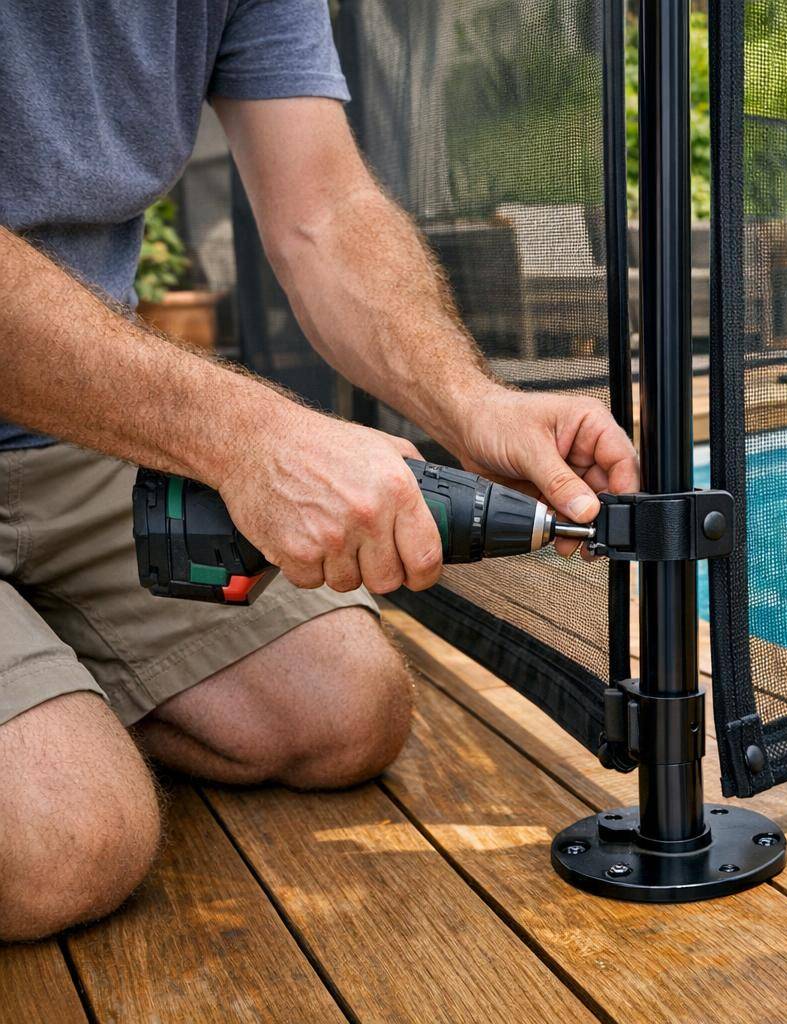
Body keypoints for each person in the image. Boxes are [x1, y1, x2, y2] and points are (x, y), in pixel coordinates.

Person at [0, 1, 640, 940]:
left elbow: (324, 210)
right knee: (67, 840)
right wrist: (244, 435)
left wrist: (470, 402)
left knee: (345, 710)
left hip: (81, 432)